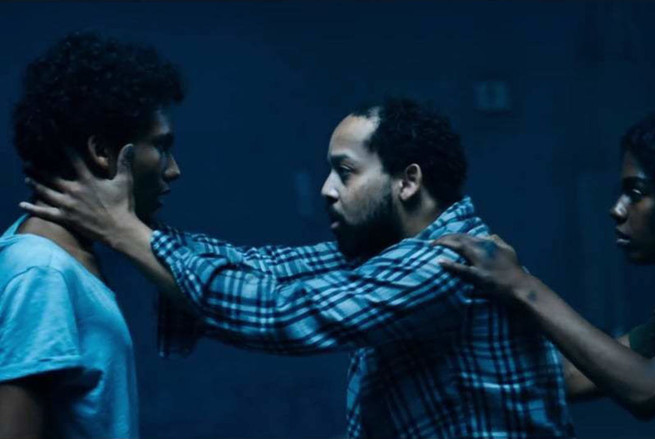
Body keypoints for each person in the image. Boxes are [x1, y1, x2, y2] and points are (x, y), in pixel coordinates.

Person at [22, 98, 575, 438]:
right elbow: (263, 269)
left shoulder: (448, 262)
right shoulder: (387, 252)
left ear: (407, 182)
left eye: (345, 172)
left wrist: (123, 231)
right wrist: (125, 224)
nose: (327, 189)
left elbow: (284, 314)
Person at [436, 108, 655, 439]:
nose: (616, 210)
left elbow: (651, 389)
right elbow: (573, 376)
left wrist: (523, 286)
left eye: (636, 193)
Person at [0, 31, 185, 438]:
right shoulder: (41, 271)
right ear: (102, 152)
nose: (173, 170)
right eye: (161, 147)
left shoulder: (64, 262)